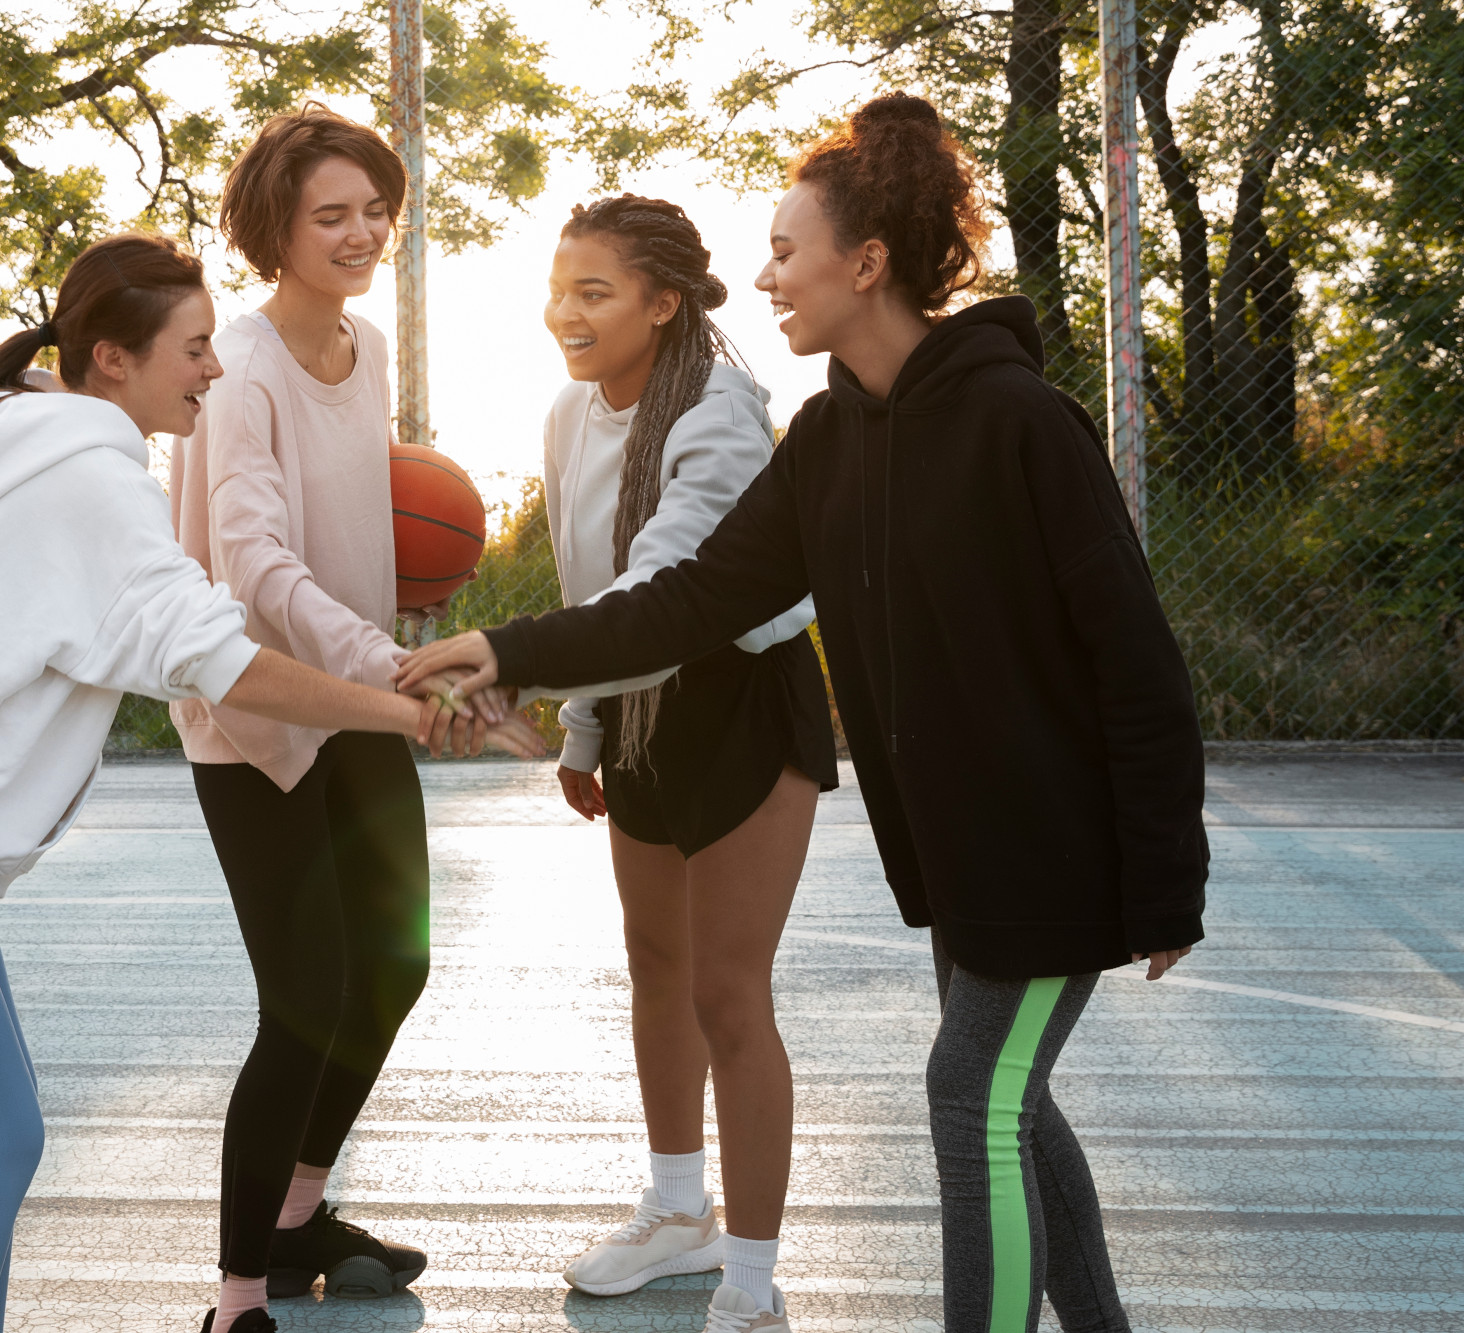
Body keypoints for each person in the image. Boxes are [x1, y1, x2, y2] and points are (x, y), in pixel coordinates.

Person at [400, 93, 1207, 1333]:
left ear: (864, 263)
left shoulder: (1018, 422)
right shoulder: (830, 438)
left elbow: (1136, 663)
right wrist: (505, 649)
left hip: (1061, 850)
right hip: (962, 854)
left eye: (786, 251)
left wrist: (1162, 874)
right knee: (1009, 1108)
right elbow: (689, 599)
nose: (764, 277)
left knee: (966, 1102)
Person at [0, 231, 536, 1333]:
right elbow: (226, 662)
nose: (213, 369)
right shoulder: (86, 481)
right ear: (112, 360)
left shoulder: (15, 441)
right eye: (192, 348)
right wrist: (412, 713)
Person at [167, 105, 481, 1333]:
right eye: (331, 215)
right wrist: (392, 670)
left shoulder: (362, 349)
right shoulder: (240, 368)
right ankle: (240, 1294)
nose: (361, 234)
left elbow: (361, 532)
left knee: (390, 963)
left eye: (373, 212)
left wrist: (396, 639)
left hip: (356, 694)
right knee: (304, 990)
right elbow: (253, 569)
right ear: (275, 230)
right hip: (256, 712)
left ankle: (299, 1213)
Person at [523, 194, 838, 1324]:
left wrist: (528, 678)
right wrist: (585, 728)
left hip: (738, 698)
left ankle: (749, 1278)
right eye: (560, 286)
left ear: (661, 304)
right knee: (654, 961)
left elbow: (662, 589)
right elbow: (582, 582)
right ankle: (676, 1215)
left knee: (725, 989)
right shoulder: (568, 414)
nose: (565, 310)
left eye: (593, 291)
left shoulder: (717, 408)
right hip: (638, 703)